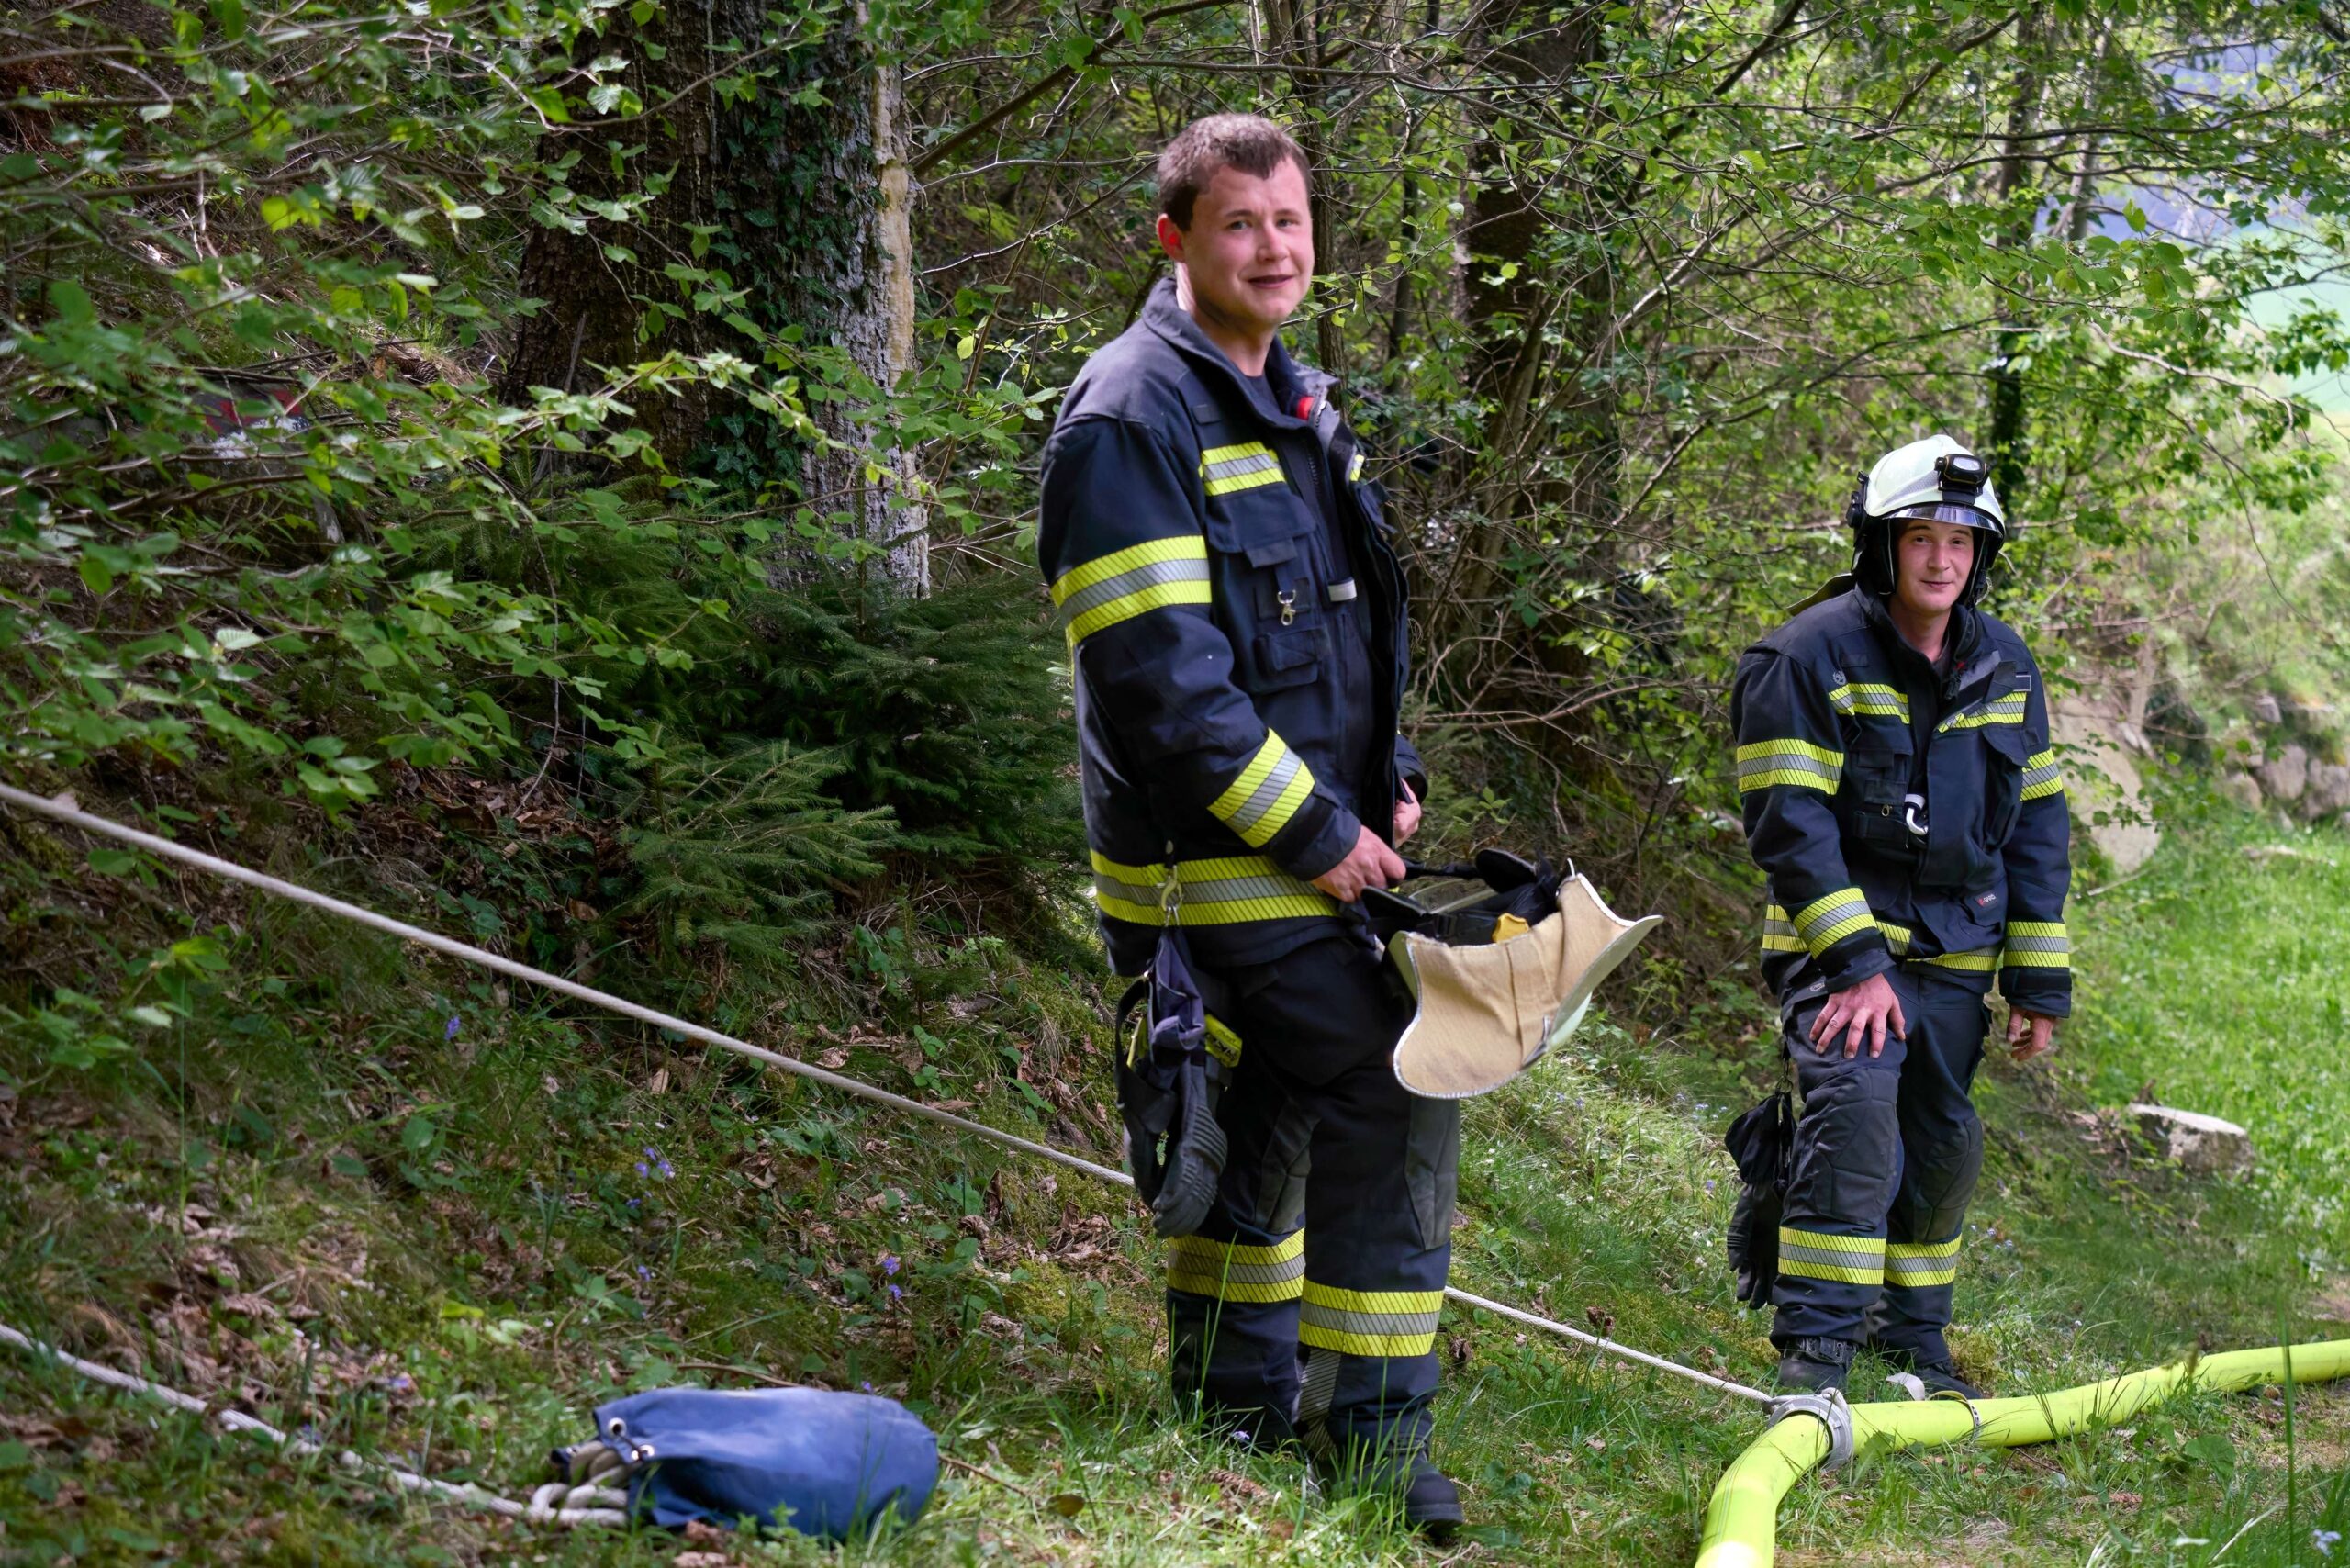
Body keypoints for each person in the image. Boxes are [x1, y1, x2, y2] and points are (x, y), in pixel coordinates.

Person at [1035, 114, 1461, 1534]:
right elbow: (1165, 688)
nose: (1273, 249)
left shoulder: (1295, 400)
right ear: (1175, 239)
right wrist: (1320, 835)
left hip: (1304, 850)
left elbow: (1344, 637)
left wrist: (1388, 772)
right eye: (1239, 224)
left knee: (1269, 1112)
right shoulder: (1129, 417)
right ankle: (1374, 1444)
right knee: (1401, 1077)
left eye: (1290, 222)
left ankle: (1233, 1406)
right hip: (1208, 874)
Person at [1730, 435, 2072, 1397]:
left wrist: (2038, 979)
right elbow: (1788, 826)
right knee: (1854, 1118)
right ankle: (1817, 1354)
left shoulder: (2006, 663)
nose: (1941, 561)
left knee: (1942, 1146)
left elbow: (2036, 827)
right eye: (1921, 537)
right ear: (1881, 546)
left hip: (1956, 955)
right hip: (1840, 951)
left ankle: (1913, 1342)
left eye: (1961, 543)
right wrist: (1854, 965)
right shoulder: (1803, 656)